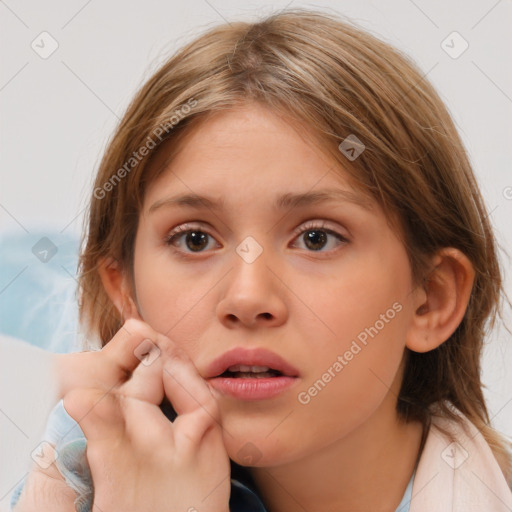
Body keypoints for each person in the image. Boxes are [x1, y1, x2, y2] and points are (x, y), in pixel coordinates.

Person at [11, 8, 512, 512]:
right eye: (194, 240)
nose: (247, 299)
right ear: (127, 295)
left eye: (316, 238)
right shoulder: (59, 474)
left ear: (431, 300)